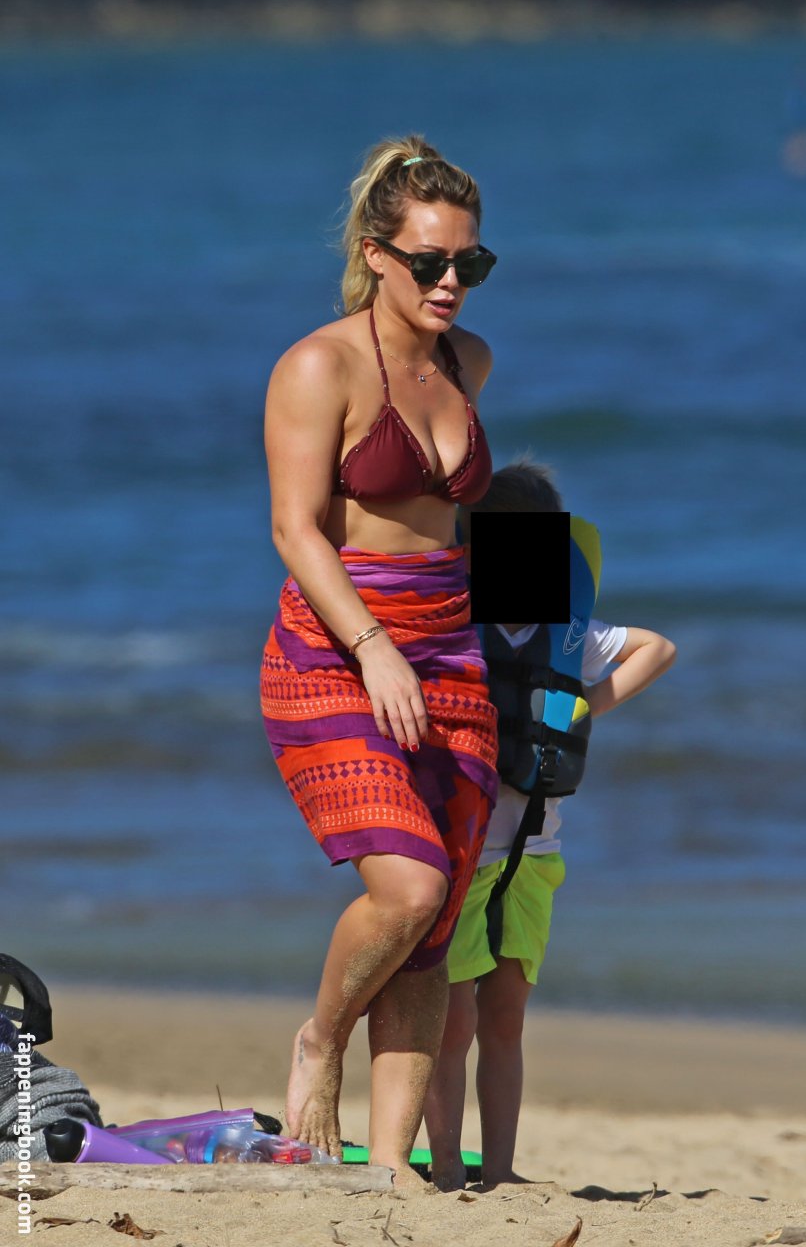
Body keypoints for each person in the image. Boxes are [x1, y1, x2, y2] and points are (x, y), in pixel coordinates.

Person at [259, 135, 501, 1182]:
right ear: (376, 253)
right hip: (333, 653)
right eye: (430, 262)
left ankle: (393, 1160)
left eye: (469, 263)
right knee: (406, 886)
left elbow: (466, 525)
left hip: (452, 656)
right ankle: (319, 1041)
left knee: (435, 923)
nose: (450, 282)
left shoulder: (467, 362)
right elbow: (295, 528)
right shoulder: (320, 365)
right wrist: (374, 650)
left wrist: (538, 642)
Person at [424, 460, 677, 1189]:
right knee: (453, 1023)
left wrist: (584, 706)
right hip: (460, 856)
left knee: (504, 1020)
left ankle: (499, 1170)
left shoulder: (568, 635)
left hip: (533, 855)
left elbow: (656, 648)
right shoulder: (452, 626)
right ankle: (446, 1165)